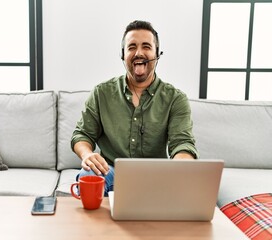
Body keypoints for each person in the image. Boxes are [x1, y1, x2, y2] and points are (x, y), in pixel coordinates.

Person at [71, 20, 198, 195]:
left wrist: (180, 167)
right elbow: (82, 134)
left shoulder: (176, 99)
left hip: (157, 176)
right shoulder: (101, 93)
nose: (139, 53)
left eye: (146, 46)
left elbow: (182, 143)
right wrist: (87, 155)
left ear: (157, 54)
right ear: (123, 55)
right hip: (110, 171)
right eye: (131, 47)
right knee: (88, 177)